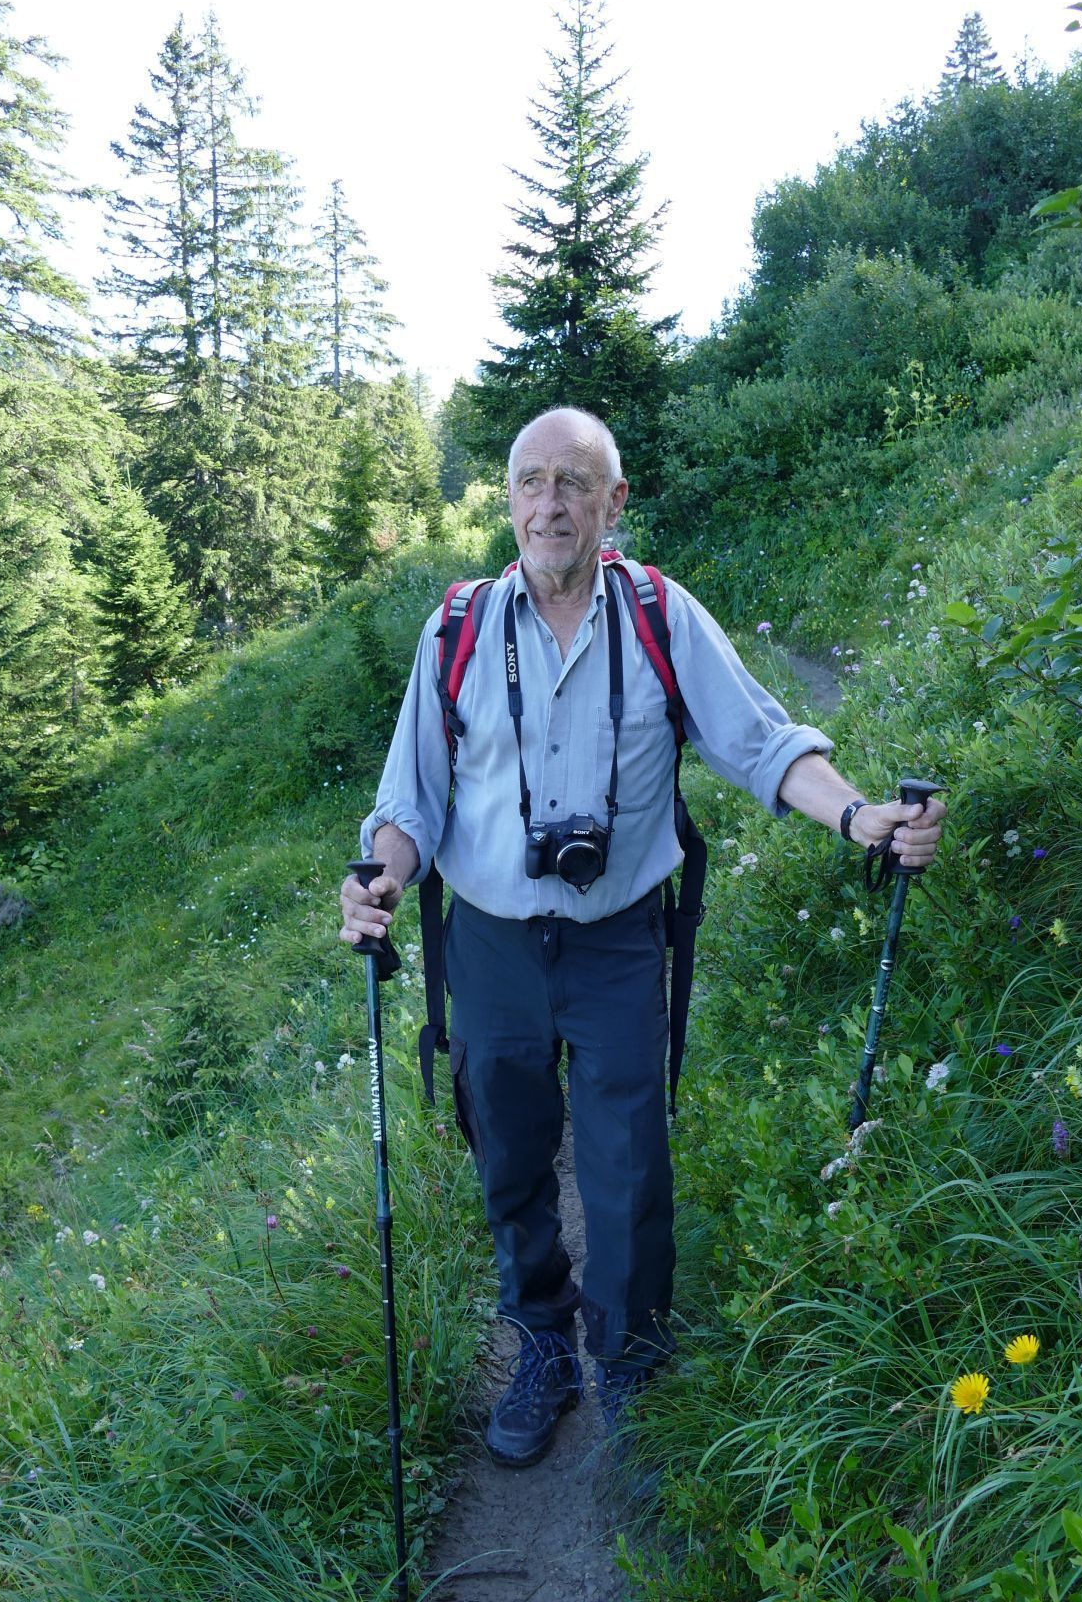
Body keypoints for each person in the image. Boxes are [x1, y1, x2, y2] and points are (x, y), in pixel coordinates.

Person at [340, 406, 945, 1468]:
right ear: (509, 503)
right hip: (487, 944)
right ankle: (541, 1339)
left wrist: (858, 814)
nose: (549, 503)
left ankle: (628, 1361)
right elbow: (411, 805)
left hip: (621, 936)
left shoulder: (662, 616)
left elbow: (763, 743)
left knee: (629, 1163)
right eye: (530, 482)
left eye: (574, 482)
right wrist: (380, 877)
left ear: (613, 503)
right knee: (511, 1155)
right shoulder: (458, 630)